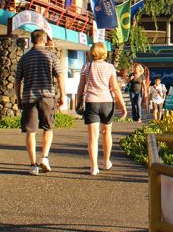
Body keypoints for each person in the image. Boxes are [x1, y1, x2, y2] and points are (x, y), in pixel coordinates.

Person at [14, 29, 66, 175]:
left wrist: (18, 98)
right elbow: (60, 76)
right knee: (48, 128)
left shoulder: (24, 58)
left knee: (30, 131)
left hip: (29, 97)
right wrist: (63, 95)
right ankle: (45, 157)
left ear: (32, 40)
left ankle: (32, 165)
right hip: (47, 96)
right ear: (44, 40)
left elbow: (17, 80)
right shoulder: (51, 56)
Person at [75, 43, 127, 175]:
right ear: (104, 53)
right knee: (106, 133)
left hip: (92, 102)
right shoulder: (110, 67)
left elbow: (81, 87)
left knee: (93, 137)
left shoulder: (86, 66)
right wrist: (122, 105)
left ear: (92, 52)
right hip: (107, 102)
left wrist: (78, 101)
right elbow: (115, 87)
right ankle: (106, 161)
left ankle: (94, 167)